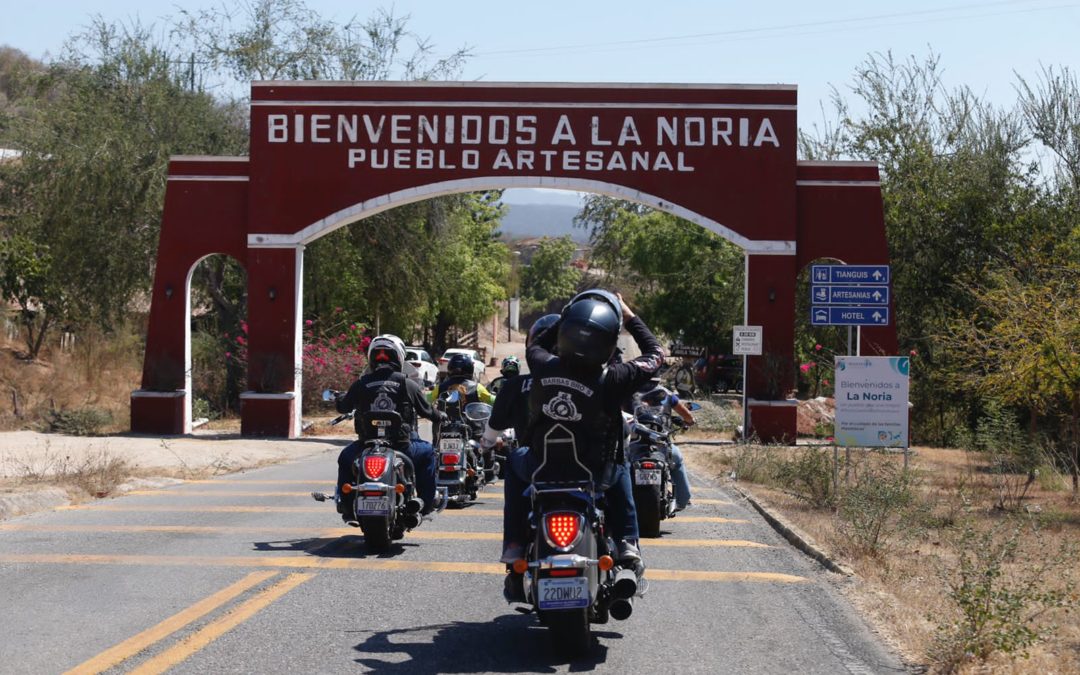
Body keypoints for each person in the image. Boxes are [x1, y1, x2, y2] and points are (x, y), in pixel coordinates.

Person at [502, 290, 665, 567]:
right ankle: (627, 539)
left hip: (541, 468)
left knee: (514, 460)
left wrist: (568, 312)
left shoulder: (541, 364)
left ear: (564, 333)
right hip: (594, 472)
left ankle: (515, 543)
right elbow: (656, 354)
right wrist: (629, 317)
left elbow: (536, 343)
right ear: (609, 343)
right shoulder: (615, 378)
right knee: (622, 464)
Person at [333, 334, 444, 524]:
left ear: (371, 357)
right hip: (402, 447)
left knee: (345, 458)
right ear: (399, 357)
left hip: (365, 446)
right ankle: (426, 503)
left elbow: (343, 407)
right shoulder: (407, 383)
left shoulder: (361, 384)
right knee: (427, 454)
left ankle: (347, 505)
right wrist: (440, 415)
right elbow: (428, 412)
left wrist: (339, 397)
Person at [480, 315, 559, 471]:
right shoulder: (594, 380)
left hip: (534, 462)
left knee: (514, 460)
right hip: (581, 468)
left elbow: (494, 426)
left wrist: (487, 443)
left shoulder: (514, 385)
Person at [628, 381, 696, 511]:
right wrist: (690, 421)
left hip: (634, 446)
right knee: (677, 458)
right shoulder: (668, 395)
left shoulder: (629, 392)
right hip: (661, 447)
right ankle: (681, 500)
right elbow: (688, 416)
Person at [428, 353, 496, 405]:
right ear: (470, 369)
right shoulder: (477, 388)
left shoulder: (440, 387)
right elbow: (492, 400)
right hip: (470, 422)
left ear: (450, 368)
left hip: (446, 422)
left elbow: (426, 400)